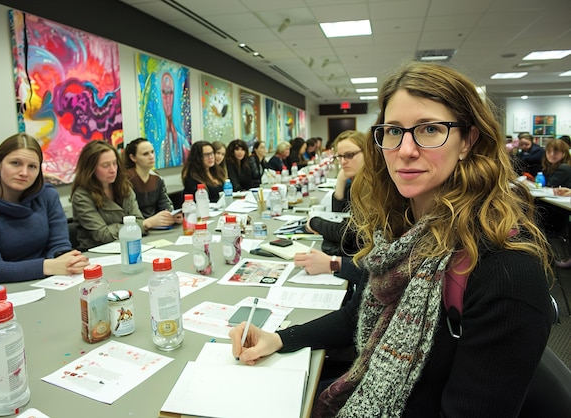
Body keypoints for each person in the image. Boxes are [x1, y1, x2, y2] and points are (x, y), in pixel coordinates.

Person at [230, 62, 553, 417]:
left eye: (430, 129)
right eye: (393, 131)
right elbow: (357, 314)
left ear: (468, 141)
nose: (406, 149)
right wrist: (279, 339)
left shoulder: (504, 269)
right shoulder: (398, 231)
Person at [0, 133, 89, 289]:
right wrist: (50, 266)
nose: (24, 173)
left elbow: (59, 245)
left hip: (50, 284)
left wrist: (69, 261)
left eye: (32, 166)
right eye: (15, 163)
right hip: (3, 294)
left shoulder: (47, 195)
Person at [71, 140, 145, 250]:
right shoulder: (81, 197)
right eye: (105, 165)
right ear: (90, 169)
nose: (113, 170)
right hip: (98, 254)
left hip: (128, 247)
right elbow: (103, 234)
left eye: (115, 163)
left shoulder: (124, 187)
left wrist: (139, 225)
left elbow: (140, 221)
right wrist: (134, 227)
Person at [304, 130, 365, 256]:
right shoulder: (356, 183)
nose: (342, 162)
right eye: (339, 156)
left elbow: (351, 236)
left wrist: (314, 222)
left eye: (349, 155)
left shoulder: (374, 187)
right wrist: (341, 180)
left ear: (368, 153)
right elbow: (340, 214)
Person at [124, 138, 182, 228]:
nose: (151, 156)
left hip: (157, 226)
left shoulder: (157, 178)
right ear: (133, 157)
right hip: (137, 227)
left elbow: (165, 204)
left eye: (152, 152)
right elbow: (130, 212)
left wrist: (172, 215)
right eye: (145, 154)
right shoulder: (126, 180)